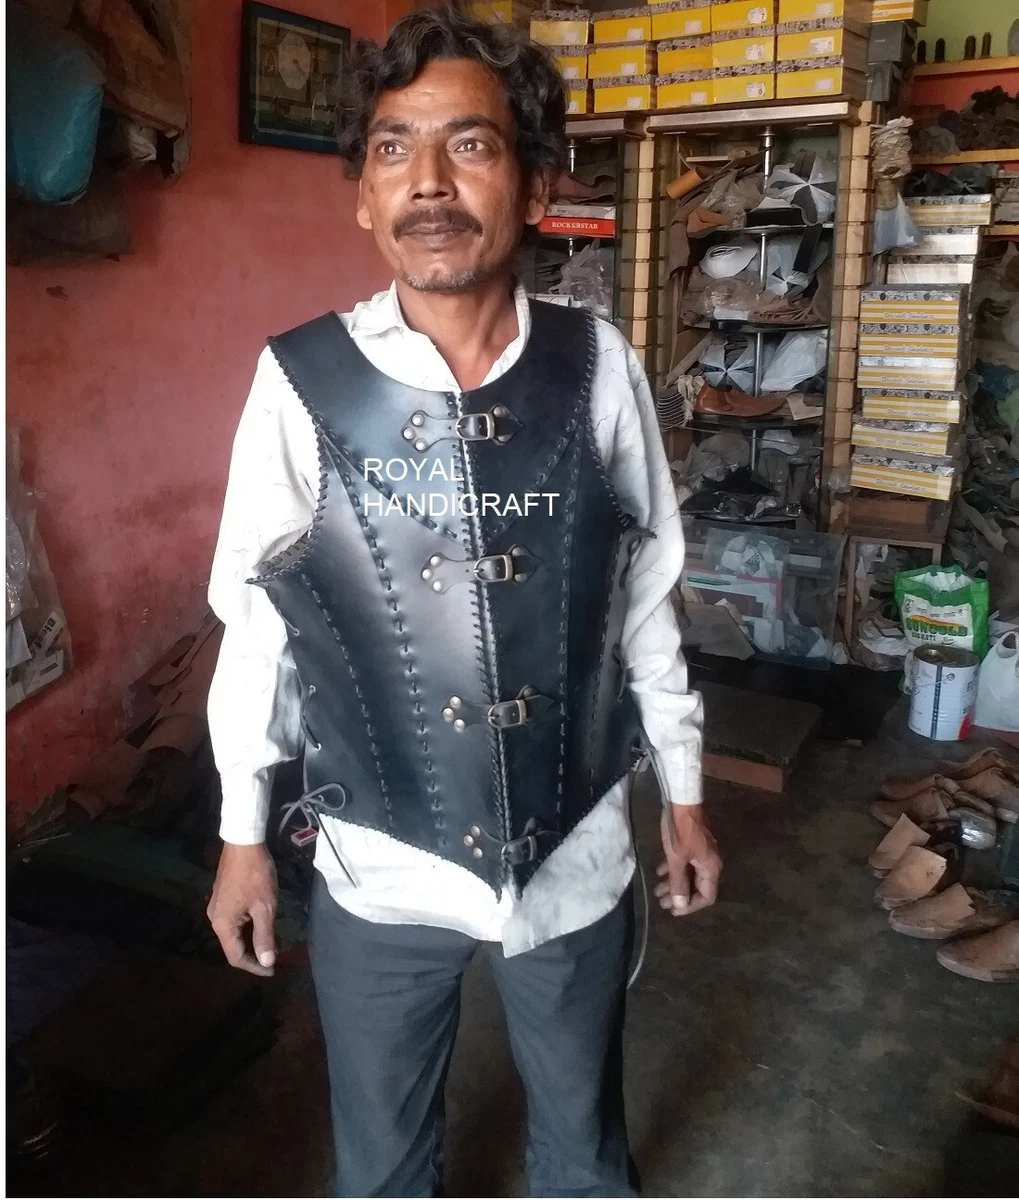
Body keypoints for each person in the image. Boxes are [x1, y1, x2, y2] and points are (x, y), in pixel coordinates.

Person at [205, 6, 721, 1196]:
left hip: (577, 856)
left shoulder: (598, 366)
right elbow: (257, 629)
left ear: (533, 185)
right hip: (377, 865)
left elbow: (644, 600)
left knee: (584, 1157)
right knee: (381, 1168)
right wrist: (242, 838)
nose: (428, 182)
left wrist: (685, 798)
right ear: (362, 195)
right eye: (393, 148)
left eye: (470, 145)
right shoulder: (297, 380)